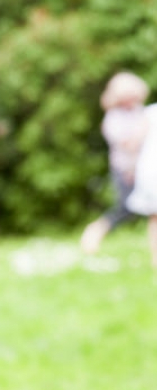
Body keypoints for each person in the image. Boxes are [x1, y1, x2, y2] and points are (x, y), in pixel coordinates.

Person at [80, 72, 150, 255]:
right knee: (126, 208)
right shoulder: (113, 118)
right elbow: (128, 145)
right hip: (125, 169)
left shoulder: (139, 111)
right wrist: (142, 132)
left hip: (144, 168)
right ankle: (96, 231)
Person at [125, 99, 157, 266]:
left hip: (149, 170)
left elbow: (132, 143)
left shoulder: (150, 112)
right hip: (152, 171)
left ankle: (155, 258)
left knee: (154, 217)